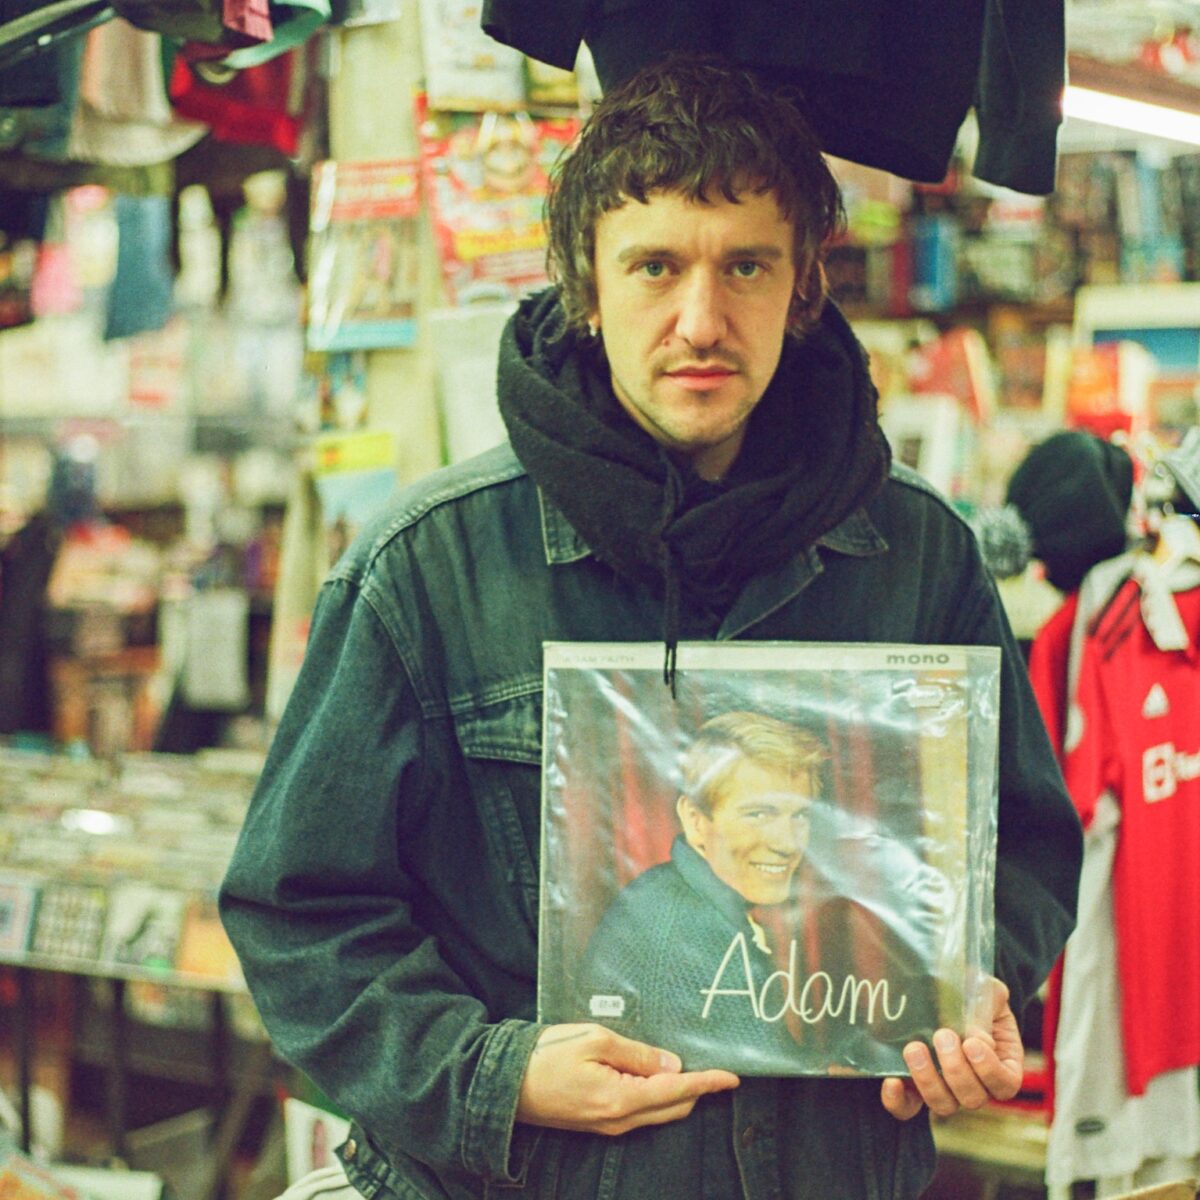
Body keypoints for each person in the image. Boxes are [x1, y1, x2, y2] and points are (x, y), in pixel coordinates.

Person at [220, 54, 1082, 1200]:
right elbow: (298, 914)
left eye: (746, 266)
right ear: (589, 283)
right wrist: (492, 1076)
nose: (701, 320)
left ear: (804, 285)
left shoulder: (919, 555)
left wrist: (971, 988)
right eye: (656, 267)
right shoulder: (428, 568)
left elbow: (1026, 846)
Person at [574, 710, 928, 1078]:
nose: (787, 844)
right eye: (758, 814)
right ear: (696, 820)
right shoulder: (695, 934)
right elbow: (772, 1088)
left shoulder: (668, 891)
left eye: (800, 816)